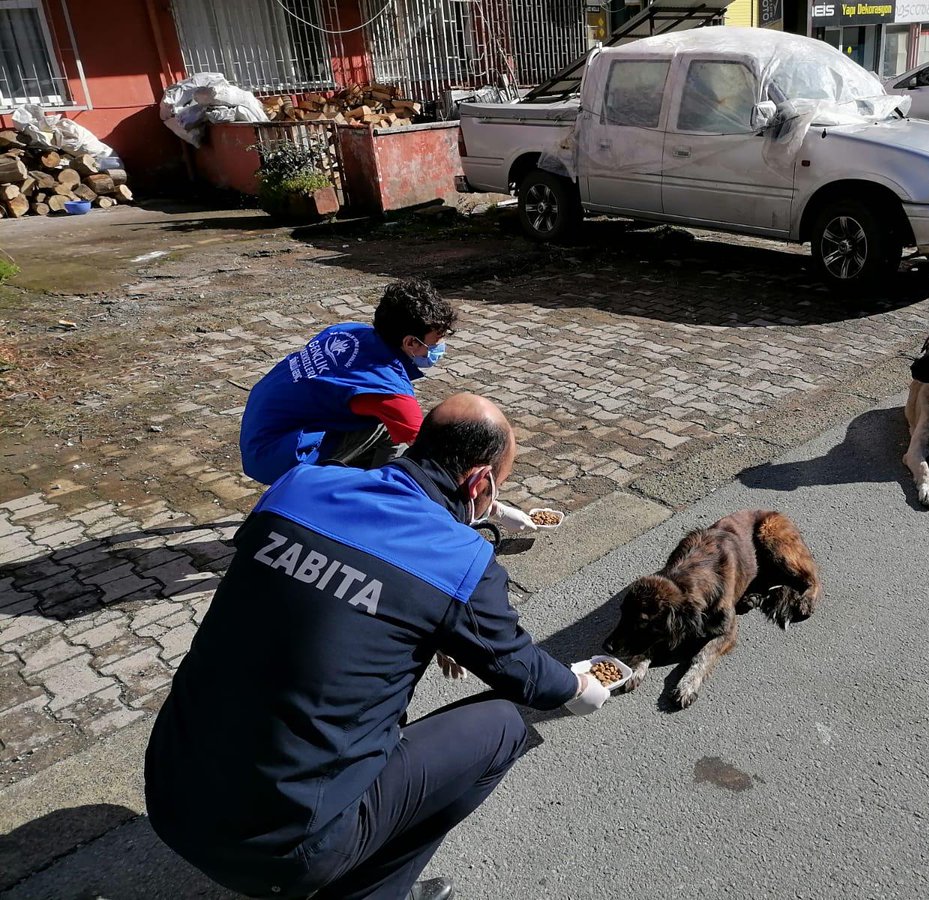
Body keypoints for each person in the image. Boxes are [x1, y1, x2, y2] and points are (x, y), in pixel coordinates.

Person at [145, 394, 609, 900]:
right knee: (501, 725)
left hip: (169, 797)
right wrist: (582, 685)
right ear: (481, 483)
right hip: (285, 853)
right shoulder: (458, 559)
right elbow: (530, 680)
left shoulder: (298, 485)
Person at [239, 278, 456, 487]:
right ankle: (375, 493)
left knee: (374, 419)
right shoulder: (389, 389)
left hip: (258, 427)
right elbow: (430, 454)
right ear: (410, 342)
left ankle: (354, 476)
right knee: (389, 428)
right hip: (274, 457)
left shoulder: (346, 331)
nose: (440, 348)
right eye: (435, 342)